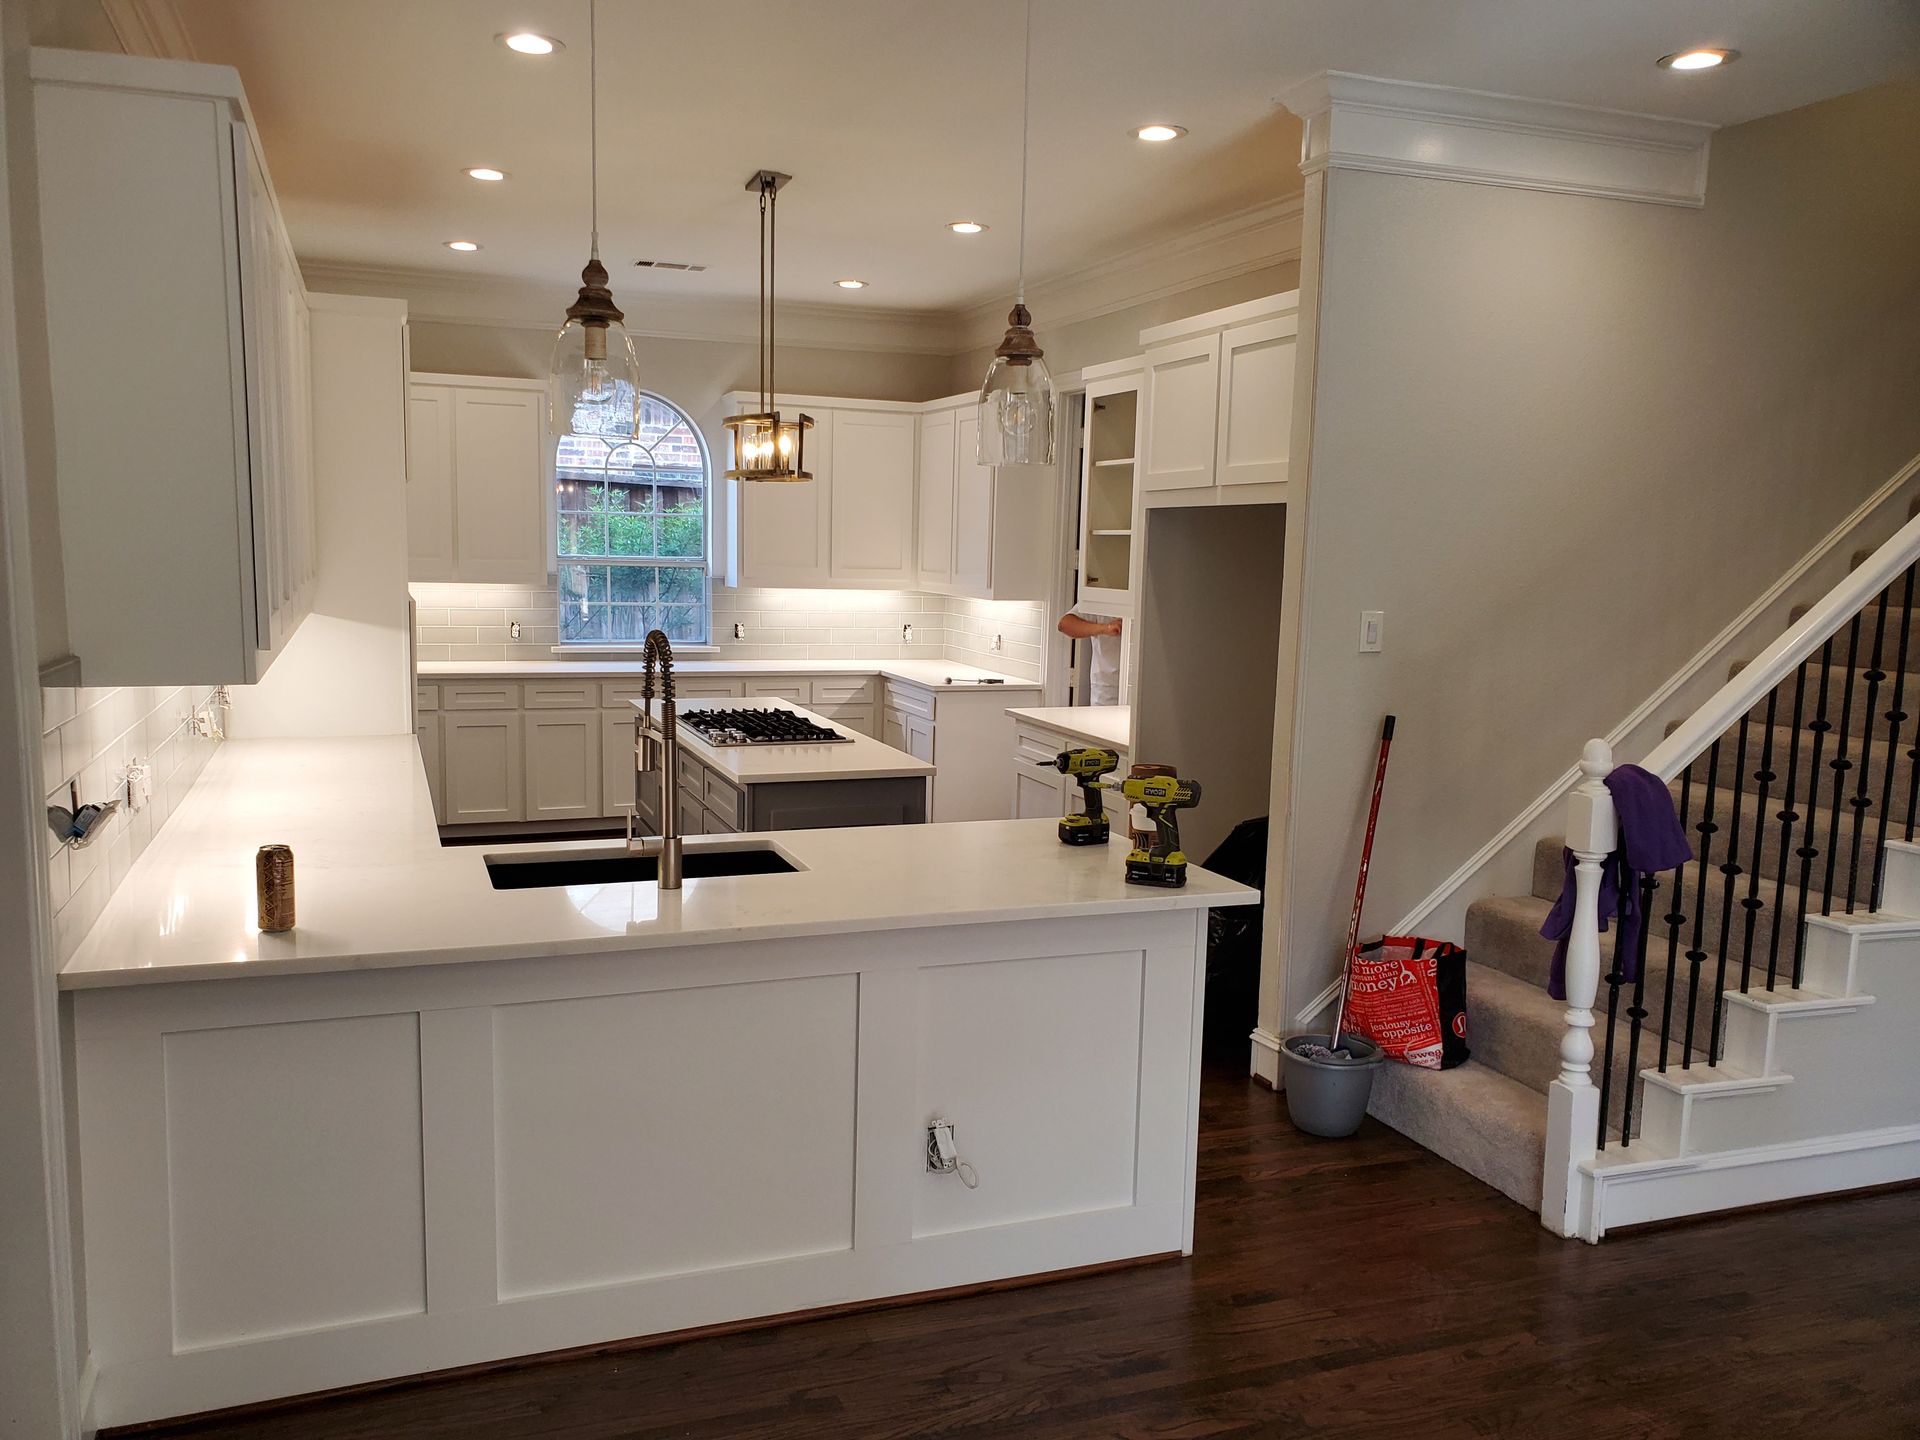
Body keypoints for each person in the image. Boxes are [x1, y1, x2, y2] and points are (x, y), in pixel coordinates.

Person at [1057, 607, 1122, 706]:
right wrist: (1105, 628)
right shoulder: (1100, 596)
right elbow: (1065, 624)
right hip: (1105, 691)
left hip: (1142, 687)